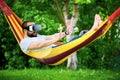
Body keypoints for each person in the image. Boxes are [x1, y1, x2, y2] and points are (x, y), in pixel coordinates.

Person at [20, 14, 102, 53]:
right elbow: (39, 45)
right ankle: (93, 29)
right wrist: (54, 40)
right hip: (54, 52)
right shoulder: (24, 42)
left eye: (36, 27)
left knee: (78, 38)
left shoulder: (38, 36)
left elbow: (53, 36)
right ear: (25, 31)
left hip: (60, 47)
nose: (35, 30)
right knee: (77, 40)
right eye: (32, 28)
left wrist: (66, 33)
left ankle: (96, 30)